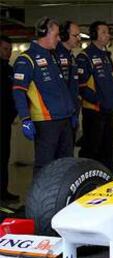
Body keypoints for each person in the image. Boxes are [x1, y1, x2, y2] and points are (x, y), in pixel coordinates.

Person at [13, 17, 75, 176]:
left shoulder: (52, 57)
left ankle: (61, 200)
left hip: (64, 119)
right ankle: (39, 201)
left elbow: (61, 89)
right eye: (56, 35)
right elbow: (18, 91)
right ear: (44, 33)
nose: (59, 39)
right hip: (46, 122)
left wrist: (72, 111)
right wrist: (25, 119)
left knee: (65, 167)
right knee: (45, 168)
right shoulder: (26, 59)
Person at [77, 21, 113, 173]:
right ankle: (87, 181)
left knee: (108, 147)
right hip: (94, 112)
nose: (107, 35)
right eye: (103, 32)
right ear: (94, 35)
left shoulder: (106, 56)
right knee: (92, 148)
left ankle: (107, 178)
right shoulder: (85, 56)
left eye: (108, 32)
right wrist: (99, 102)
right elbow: (81, 86)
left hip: (108, 111)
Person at [0, 35, 19, 203]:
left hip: (6, 121)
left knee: (4, 157)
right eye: (5, 49)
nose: (8, 52)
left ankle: (3, 191)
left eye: (10, 49)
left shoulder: (10, 70)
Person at [55, 21, 81, 140]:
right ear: (64, 36)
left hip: (72, 111)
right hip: (59, 114)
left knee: (68, 151)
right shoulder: (55, 55)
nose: (79, 38)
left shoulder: (71, 56)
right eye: (75, 35)